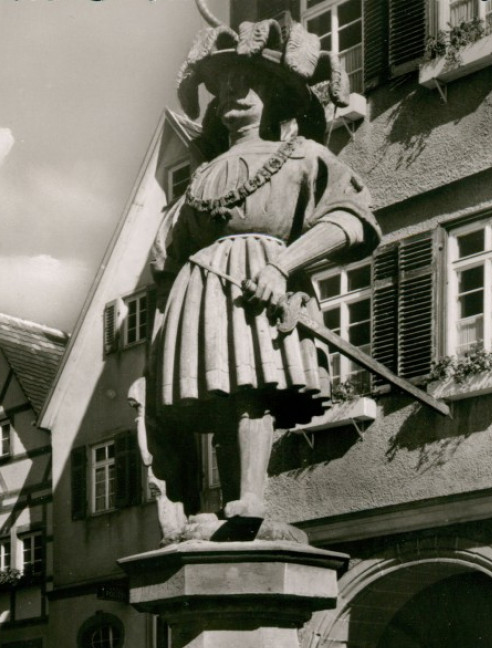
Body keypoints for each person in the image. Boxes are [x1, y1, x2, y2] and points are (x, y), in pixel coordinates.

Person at [144, 14, 381, 531]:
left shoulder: (301, 155)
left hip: (261, 279)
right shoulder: (202, 173)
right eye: (225, 83)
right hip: (204, 290)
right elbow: (171, 251)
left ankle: (250, 496)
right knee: (221, 393)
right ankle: (230, 502)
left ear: (276, 93)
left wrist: (283, 265)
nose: (234, 91)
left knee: (253, 385)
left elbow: (350, 221)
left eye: (248, 82)